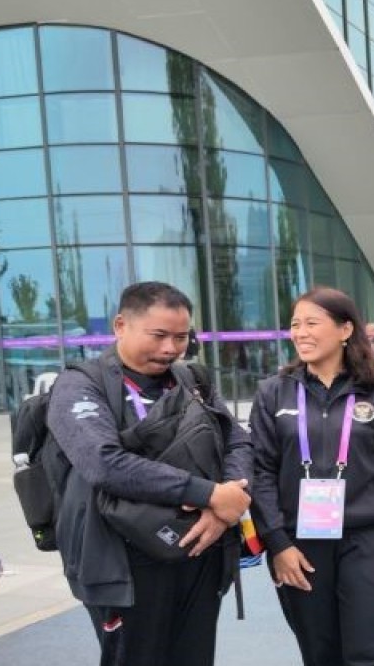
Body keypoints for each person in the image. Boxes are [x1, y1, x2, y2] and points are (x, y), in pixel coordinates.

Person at [46, 281, 253, 666]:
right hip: (123, 561)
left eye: (181, 337)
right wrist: (209, 494)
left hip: (199, 549)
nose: (171, 348)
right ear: (121, 325)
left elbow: (238, 441)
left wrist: (229, 498)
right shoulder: (80, 385)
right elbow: (103, 462)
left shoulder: (194, 380)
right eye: (158, 335)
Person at [249, 287, 374, 666]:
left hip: (369, 538)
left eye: (312, 323)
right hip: (299, 544)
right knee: (320, 655)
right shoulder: (273, 393)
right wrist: (277, 543)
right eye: (295, 324)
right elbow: (261, 472)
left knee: (370, 652)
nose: (300, 332)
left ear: (345, 330)